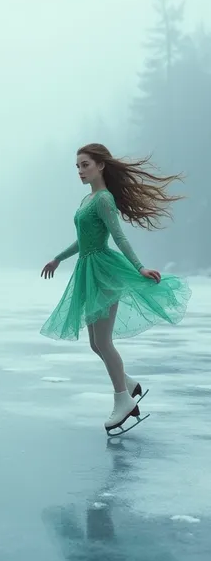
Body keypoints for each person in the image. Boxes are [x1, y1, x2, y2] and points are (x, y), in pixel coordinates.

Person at [40, 143, 191, 433]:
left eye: (85, 165)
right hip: (89, 270)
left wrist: (139, 268)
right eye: (77, 166)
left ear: (100, 166)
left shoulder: (104, 200)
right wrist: (58, 258)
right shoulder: (87, 201)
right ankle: (129, 384)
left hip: (105, 273)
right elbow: (83, 241)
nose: (80, 171)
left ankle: (123, 399)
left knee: (104, 342)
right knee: (95, 343)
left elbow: (119, 237)